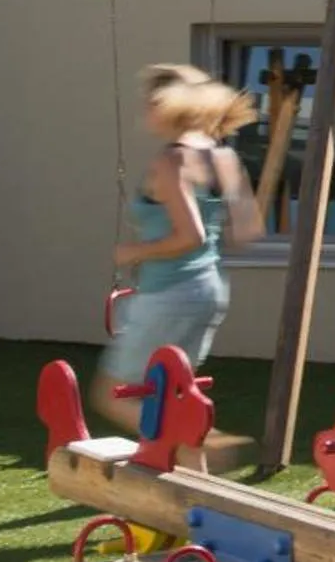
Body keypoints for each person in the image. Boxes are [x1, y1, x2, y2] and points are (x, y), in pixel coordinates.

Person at [92, 69, 263, 442]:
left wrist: (135, 251)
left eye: (152, 102)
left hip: (169, 293)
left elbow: (190, 236)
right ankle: (194, 464)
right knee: (169, 393)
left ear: (172, 105)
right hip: (209, 291)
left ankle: (201, 442)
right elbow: (248, 228)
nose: (146, 110)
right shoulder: (223, 156)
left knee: (113, 395)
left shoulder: (172, 160)